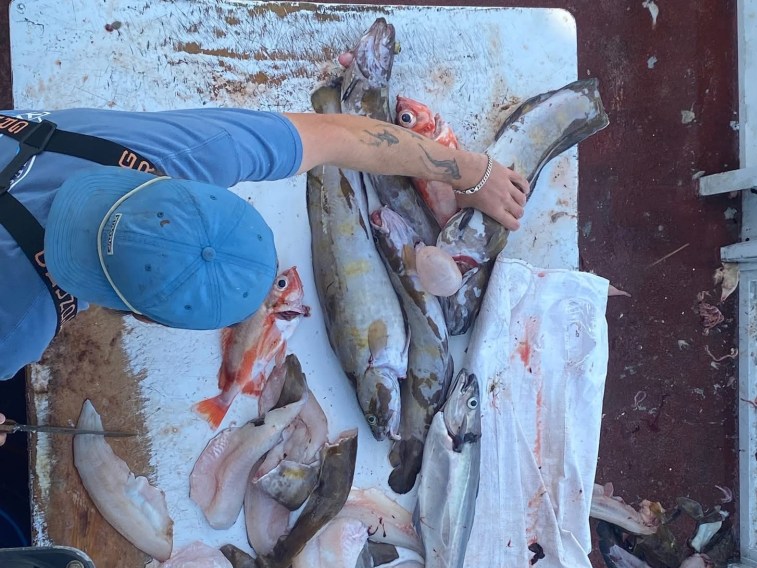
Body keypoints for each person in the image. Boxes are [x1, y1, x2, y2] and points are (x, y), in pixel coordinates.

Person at [0, 105, 529, 443]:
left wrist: (470, 171)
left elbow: (339, 134)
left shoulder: (173, 150)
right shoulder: (17, 328)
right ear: (140, 316)